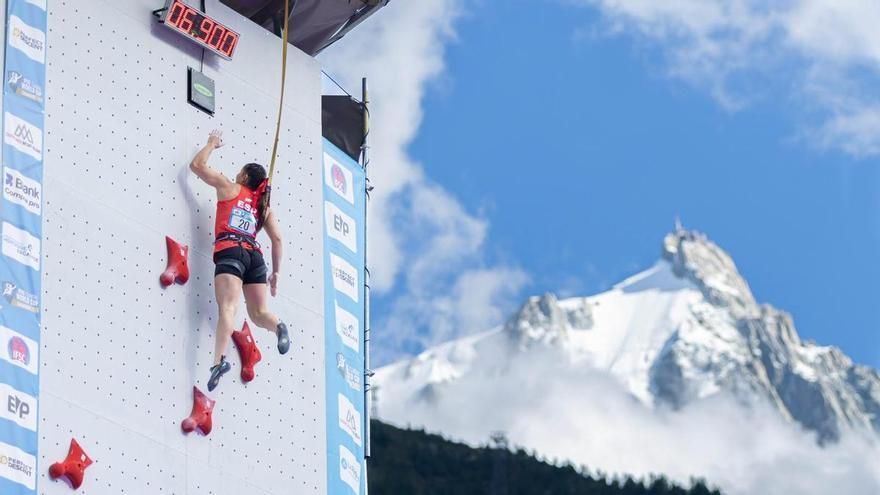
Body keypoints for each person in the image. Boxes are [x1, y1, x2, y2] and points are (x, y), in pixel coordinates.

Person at [189, 129, 290, 391]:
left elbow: (197, 166)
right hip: (255, 257)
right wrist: (276, 274)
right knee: (258, 314)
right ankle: (278, 325)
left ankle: (218, 361)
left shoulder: (229, 187)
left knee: (228, 308)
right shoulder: (263, 208)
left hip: (231, 250)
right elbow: (277, 240)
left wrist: (211, 143)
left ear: (244, 177)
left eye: (240, 172)